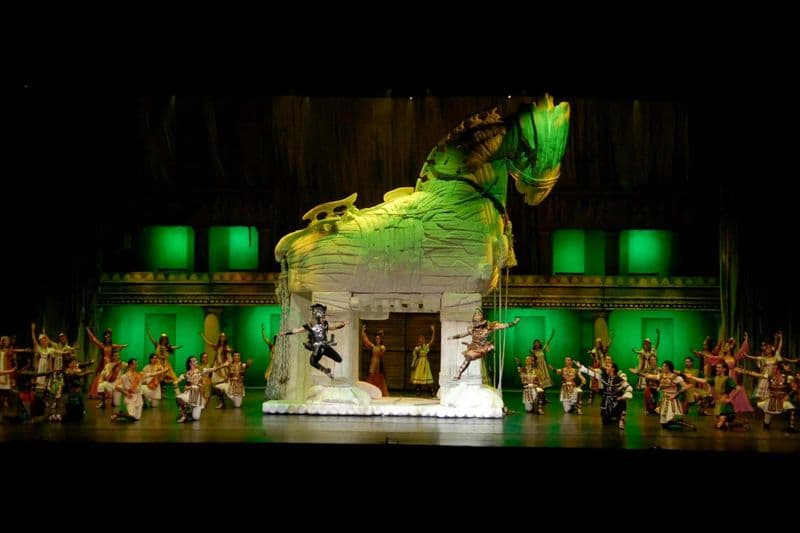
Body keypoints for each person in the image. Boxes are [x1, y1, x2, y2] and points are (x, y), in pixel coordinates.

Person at [279, 303, 349, 380]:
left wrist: (342, 324)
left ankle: (325, 370)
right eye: (320, 318)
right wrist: (285, 333)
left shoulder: (324, 325)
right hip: (318, 348)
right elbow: (296, 330)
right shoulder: (310, 326)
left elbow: (334, 327)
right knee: (312, 362)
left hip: (324, 347)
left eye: (322, 317)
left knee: (338, 359)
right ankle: (326, 371)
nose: (322, 319)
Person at [448, 308, 519, 380]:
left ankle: (458, 372)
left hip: (482, 349)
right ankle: (459, 373)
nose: (476, 315)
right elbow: (462, 335)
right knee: (468, 356)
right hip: (473, 348)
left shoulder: (488, 328)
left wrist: (513, 323)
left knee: (469, 356)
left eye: (478, 314)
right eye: (475, 314)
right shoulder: (472, 329)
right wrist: (452, 337)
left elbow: (503, 326)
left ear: (482, 317)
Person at [578, 360, 632, 429]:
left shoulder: (618, 379)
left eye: (608, 366)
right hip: (606, 401)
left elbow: (629, 387)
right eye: (606, 366)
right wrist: (581, 367)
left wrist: (624, 396)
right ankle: (611, 416)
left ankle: (620, 419)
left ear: (613, 369)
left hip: (615, 400)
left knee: (622, 402)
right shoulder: (604, 377)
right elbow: (592, 373)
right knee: (605, 422)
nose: (606, 368)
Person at [362, 325, 389, 397]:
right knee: (371, 377)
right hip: (372, 364)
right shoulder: (373, 346)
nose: (377, 340)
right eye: (376, 339)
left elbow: (382, 353)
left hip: (379, 365)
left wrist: (381, 335)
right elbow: (366, 341)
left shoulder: (382, 347)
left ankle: (380, 392)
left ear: (381, 340)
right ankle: (370, 392)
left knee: (379, 378)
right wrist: (363, 332)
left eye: (378, 339)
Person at [411, 324, 436, 396]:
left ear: (424, 340)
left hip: (425, 363)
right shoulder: (417, 348)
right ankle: (418, 391)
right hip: (419, 363)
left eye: (422, 338)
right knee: (418, 376)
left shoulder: (426, 347)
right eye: (420, 339)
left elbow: (432, 340)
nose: (421, 340)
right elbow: (415, 356)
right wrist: (414, 363)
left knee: (427, 376)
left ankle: (431, 391)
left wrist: (433, 331)